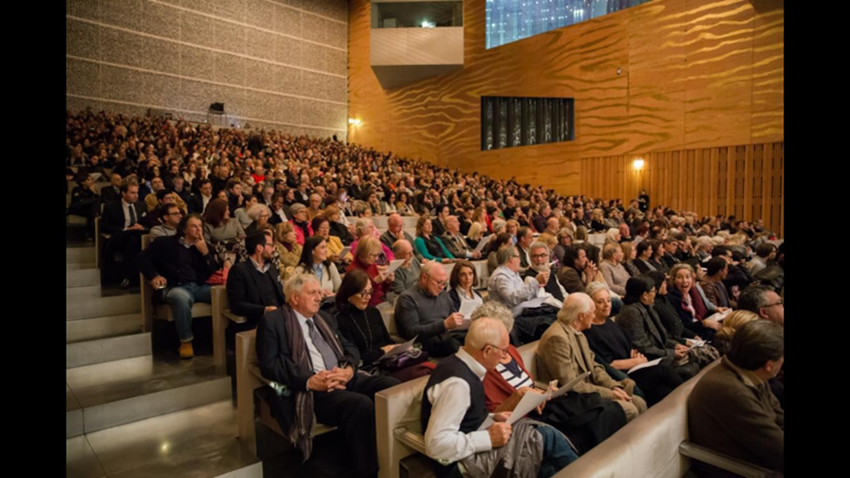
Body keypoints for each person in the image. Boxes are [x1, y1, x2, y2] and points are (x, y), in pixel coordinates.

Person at [255, 273, 400, 478]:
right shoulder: (273, 322)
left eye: (319, 292)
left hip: (341, 375)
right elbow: (270, 365)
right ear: (295, 298)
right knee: (360, 405)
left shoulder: (324, 317)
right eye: (312, 293)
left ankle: (391, 456)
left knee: (391, 386)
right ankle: (367, 471)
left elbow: (348, 346)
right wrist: (309, 381)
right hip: (310, 389)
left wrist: (349, 369)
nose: (319, 297)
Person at [421, 318, 577, 478]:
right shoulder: (457, 384)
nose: (505, 356)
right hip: (459, 464)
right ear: (487, 350)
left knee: (547, 465)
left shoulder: (463, 366)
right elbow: (436, 445)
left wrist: (493, 417)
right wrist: (488, 438)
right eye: (503, 351)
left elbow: (464, 419)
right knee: (545, 437)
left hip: (472, 447)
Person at [687, 320, 784, 477]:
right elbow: (777, 450)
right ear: (769, 365)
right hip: (741, 470)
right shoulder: (732, 391)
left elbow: (778, 417)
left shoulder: (749, 372)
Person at [536, 293, 647, 423]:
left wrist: (613, 386)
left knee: (639, 402)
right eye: (592, 312)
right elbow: (571, 385)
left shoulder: (577, 332)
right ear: (582, 316)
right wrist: (610, 394)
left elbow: (594, 366)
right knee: (630, 409)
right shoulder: (557, 338)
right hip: (571, 399)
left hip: (589, 390)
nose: (594, 316)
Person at [583, 283, 684, 406]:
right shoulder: (589, 330)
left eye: (608, 300)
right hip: (622, 376)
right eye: (600, 302)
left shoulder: (610, 322)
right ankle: (691, 398)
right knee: (663, 370)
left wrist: (634, 356)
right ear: (590, 304)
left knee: (662, 392)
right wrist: (636, 362)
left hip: (636, 367)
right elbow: (608, 364)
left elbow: (629, 346)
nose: (606, 305)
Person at [138, 214, 220, 359]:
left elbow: (213, 273)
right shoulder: (165, 243)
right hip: (174, 287)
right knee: (181, 297)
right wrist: (154, 276)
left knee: (222, 294)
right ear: (184, 229)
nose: (198, 230)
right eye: (194, 226)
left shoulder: (205, 247)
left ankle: (224, 339)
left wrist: (206, 254)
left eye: (200, 226)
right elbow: (142, 259)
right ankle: (186, 341)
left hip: (199, 287)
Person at [335, 269, 435, 383]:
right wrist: (382, 351)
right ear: (349, 294)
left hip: (390, 361)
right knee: (424, 372)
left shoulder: (373, 312)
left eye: (370, 292)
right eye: (363, 293)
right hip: (370, 368)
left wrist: (401, 347)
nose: (368, 297)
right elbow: (356, 357)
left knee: (427, 363)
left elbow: (387, 340)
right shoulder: (341, 320)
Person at [614, 277, 701, 381]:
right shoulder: (631, 313)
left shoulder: (648, 306)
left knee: (695, 362)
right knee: (690, 370)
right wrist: (671, 353)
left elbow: (660, 336)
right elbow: (642, 346)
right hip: (647, 359)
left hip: (659, 353)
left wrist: (675, 345)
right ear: (645, 295)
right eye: (653, 291)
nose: (655, 293)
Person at [226, 231, 285, 347]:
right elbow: (237, 304)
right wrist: (264, 310)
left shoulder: (272, 268)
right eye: (270, 245)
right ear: (259, 248)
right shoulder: (239, 270)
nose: (274, 249)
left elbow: (281, 296)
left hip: (278, 317)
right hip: (255, 321)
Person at [395, 261, 467, 357]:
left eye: (444, 283)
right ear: (424, 278)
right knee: (453, 345)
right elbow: (411, 332)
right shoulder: (407, 298)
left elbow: (452, 318)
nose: (442, 287)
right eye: (439, 282)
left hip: (448, 335)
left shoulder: (444, 295)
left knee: (475, 337)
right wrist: (444, 325)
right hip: (426, 341)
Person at [488, 245, 557, 345]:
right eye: (519, 257)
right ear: (511, 258)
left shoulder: (513, 273)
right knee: (549, 326)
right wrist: (535, 282)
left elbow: (523, 294)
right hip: (513, 317)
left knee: (555, 315)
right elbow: (512, 298)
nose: (520, 261)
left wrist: (537, 286)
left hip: (523, 312)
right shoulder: (501, 276)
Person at [100, 181, 148, 288]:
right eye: (132, 193)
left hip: (137, 236)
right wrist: (126, 229)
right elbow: (104, 226)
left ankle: (131, 277)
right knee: (131, 239)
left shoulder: (141, 205)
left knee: (134, 240)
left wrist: (141, 227)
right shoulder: (111, 207)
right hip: (119, 237)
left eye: (137, 193)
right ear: (123, 193)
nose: (136, 195)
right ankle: (131, 277)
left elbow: (146, 223)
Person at [667, 264, 725, 341]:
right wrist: (704, 323)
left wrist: (716, 310)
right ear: (673, 280)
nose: (685, 281)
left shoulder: (693, 293)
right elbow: (680, 326)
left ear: (692, 278)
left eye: (687, 277)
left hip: (701, 329)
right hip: (691, 335)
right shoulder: (671, 298)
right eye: (679, 277)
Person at [346, 236, 395, 307]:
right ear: (363, 253)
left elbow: (381, 291)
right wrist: (375, 282)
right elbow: (360, 298)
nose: (376, 259)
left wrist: (387, 282)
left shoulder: (372, 265)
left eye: (378, 255)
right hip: (367, 306)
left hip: (380, 302)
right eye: (374, 255)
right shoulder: (353, 271)